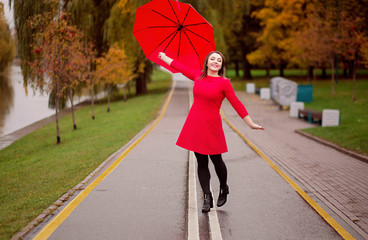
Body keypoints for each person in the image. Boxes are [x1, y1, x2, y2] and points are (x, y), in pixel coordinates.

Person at [158, 51, 264, 213]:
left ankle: (223, 187)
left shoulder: (224, 83)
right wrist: (163, 57)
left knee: (217, 160)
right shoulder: (198, 76)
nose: (215, 62)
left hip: (212, 126)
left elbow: (236, 103)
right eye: (213, 59)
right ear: (207, 63)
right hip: (195, 125)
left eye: (219, 60)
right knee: (201, 162)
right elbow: (179, 66)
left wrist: (250, 123)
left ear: (221, 65)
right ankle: (207, 197)